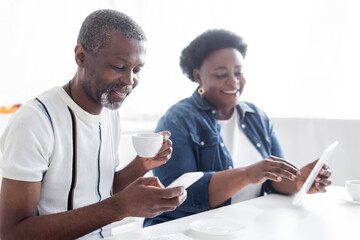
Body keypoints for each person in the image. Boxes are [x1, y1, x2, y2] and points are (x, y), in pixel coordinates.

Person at [0, 9, 186, 240]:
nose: (130, 81)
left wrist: (143, 164)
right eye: (119, 67)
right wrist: (119, 208)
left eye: (136, 70)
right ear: (81, 56)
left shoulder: (110, 114)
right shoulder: (35, 121)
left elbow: (100, 189)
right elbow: (12, 232)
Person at [144, 29, 331, 226]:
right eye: (221, 74)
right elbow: (179, 195)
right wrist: (247, 174)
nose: (233, 81)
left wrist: (299, 181)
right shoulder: (176, 121)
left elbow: (274, 179)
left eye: (239, 72)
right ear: (198, 76)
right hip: (183, 230)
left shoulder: (256, 117)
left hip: (240, 226)